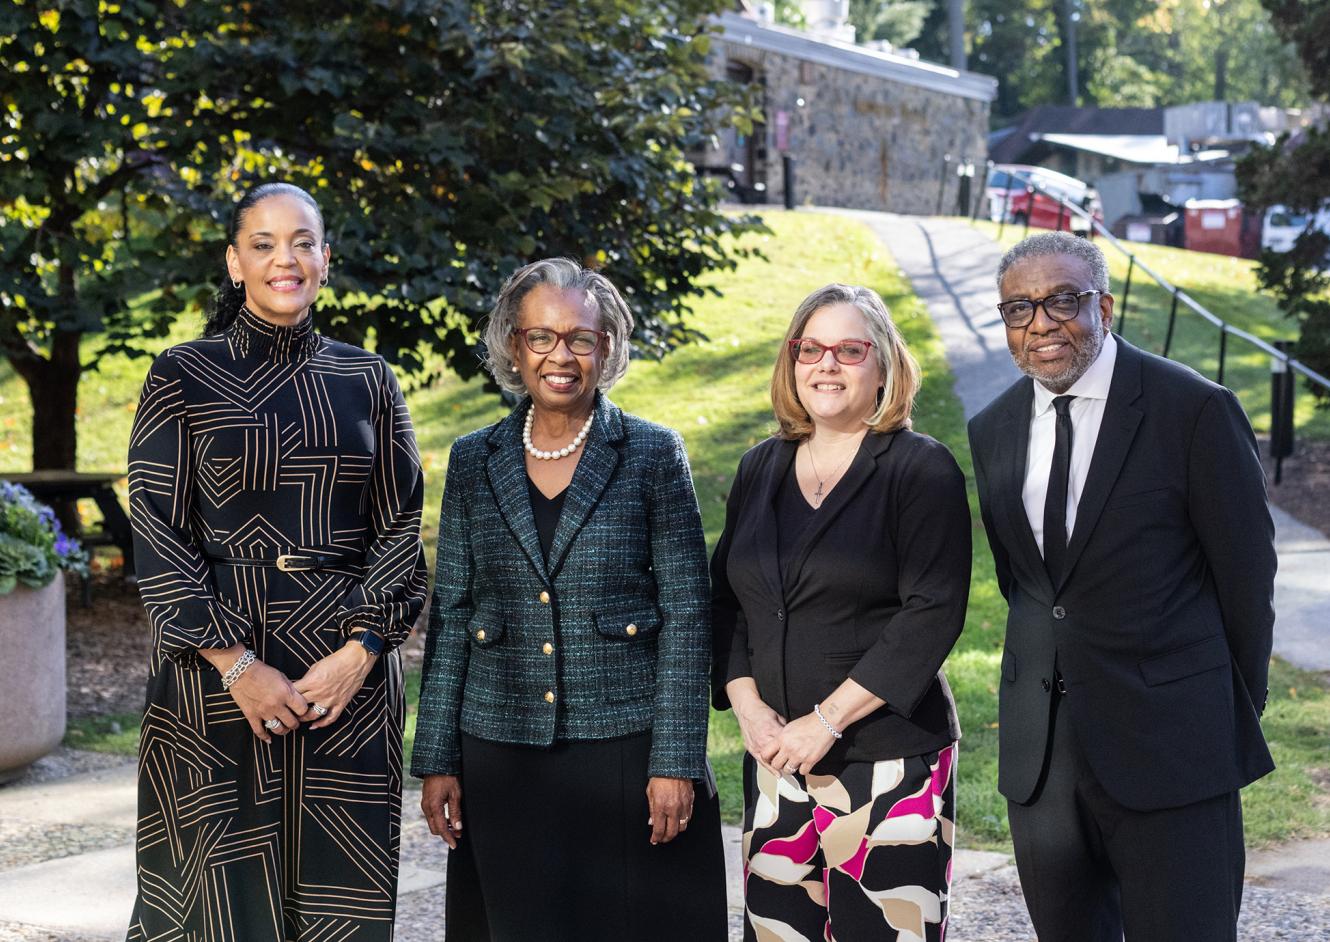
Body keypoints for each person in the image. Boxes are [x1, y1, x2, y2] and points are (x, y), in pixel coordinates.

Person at [125, 182, 428, 941]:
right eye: (262, 245)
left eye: (301, 243)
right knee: (213, 903)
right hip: (213, 676)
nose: (283, 259)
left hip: (343, 679)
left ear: (326, 260)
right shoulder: (181, 374)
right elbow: (158, 531)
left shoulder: (367, 379)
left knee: (338, 904)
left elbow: (399, 529)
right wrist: (236, 666)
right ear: (235, 264)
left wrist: (360, 655)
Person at [967, 231, 1277, 941]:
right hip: (1042, 760)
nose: (1040, 324)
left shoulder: (1194, 410)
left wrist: (1224, 710)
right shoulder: (993, 429)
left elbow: (1246, 579)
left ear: (1103, 307)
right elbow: (1026, 584)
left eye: (1062, 301)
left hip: (1175, 746)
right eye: (1019, 308)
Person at [411, 258, 727, 941]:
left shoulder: (652, 453)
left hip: (625, 748)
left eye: (580, 338)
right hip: (501, 751)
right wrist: (436, 758)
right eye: (541, 337)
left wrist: (675, 761)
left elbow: (687, 614)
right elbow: (453, 613)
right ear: (514, 345)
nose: (561, 356)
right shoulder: (473, 458)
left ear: (605, 347)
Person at [712, 284, 971, 941]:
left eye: (849, 350)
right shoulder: (758, 468)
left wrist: (825, 722)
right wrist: (750, 711)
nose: (826, 364)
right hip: (775, 761)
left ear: (883, 365)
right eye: (811, 349)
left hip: (888, 762)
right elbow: (727, 604)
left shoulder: (920, 469)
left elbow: (932, 611)